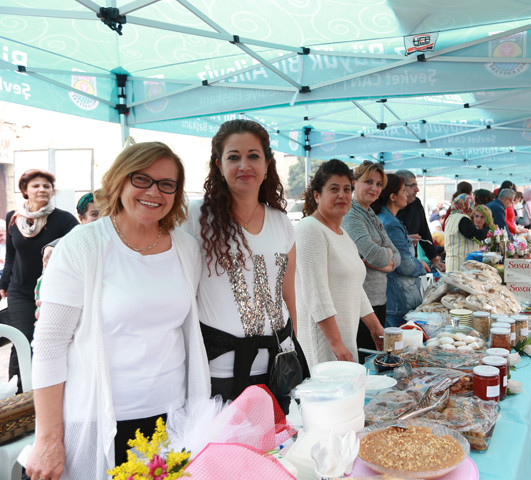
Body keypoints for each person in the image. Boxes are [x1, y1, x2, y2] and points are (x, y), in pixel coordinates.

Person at [25, 142, 211, 479]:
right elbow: (49, 346)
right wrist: (48, 438)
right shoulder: (82, 245)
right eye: (142, 179)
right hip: (98, 419)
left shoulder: (187, 248)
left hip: (170, 419)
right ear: (120, 181)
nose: (154, 191)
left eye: (167, 184)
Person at [184, 119, 308, 411]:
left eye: (253, 156)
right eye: (233, 157)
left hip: (277, 368)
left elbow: (287, 294)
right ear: (218, 164)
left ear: (267, 165)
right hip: (219, 371)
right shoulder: (193, 217)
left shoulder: (281, 223)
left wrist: (292, 348)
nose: (244, 165)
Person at [295, 159, 384, 367]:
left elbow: (354, 286)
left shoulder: (342, 234)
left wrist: (374, 326)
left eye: (347, 189)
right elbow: (315, 292)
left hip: (344, 338)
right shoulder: (309, 229)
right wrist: (335, 343)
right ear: (317, 195)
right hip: (324, 344)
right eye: (334, 189)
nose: (342, 195)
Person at [0, 169, 78, 387]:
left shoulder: (64, 219)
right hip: (20, 292)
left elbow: (79, 243)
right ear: (25, 190)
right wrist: (3, 284)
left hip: (52, 293)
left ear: (53, 191)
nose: (42, 189)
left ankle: (44, 389)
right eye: (36, 186)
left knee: (45, 342)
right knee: (22, 339)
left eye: (46, 186)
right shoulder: (13, 218)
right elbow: (11, 254)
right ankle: (18, 396)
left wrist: (55, 245)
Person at [341, 161, 400, 362]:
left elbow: (395, 254)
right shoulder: (351, 214)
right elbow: (374, 254)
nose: (374, 188)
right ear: (354, 183)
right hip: (362, 306)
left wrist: (387, 261)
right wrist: (385, 256)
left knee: (374, 358)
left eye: (378, 184)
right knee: (366, 360)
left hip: (377, 301)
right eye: (368, 182)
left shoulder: (370, 213)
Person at [373, 174, 429, 327]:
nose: (407, 194)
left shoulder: (385, 219)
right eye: (404, 191)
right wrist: (421, 265)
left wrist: (406, 240)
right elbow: (405, 265)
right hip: (399, 299)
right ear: (392, 196)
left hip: (394, 298)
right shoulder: (391, 224)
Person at [395, 170, 445, 272]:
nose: (417, 189)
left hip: (410, 263)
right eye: (413, 185)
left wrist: (435, 259)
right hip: (393, 266)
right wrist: (405, 240)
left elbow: (424, 232)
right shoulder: (386, 213)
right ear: (399, 188)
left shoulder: (416, 203)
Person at [41, 192, 100, 268]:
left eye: (105, 213)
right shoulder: (71, 245)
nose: (101, 218)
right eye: (95, 214)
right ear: (81, 218)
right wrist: (50, 247)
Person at [444, 194, 490, 272]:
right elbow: (476, 235)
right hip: (461, 264)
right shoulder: (463, 219)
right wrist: (489, 228)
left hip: (452, 263)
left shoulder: (450, 218)